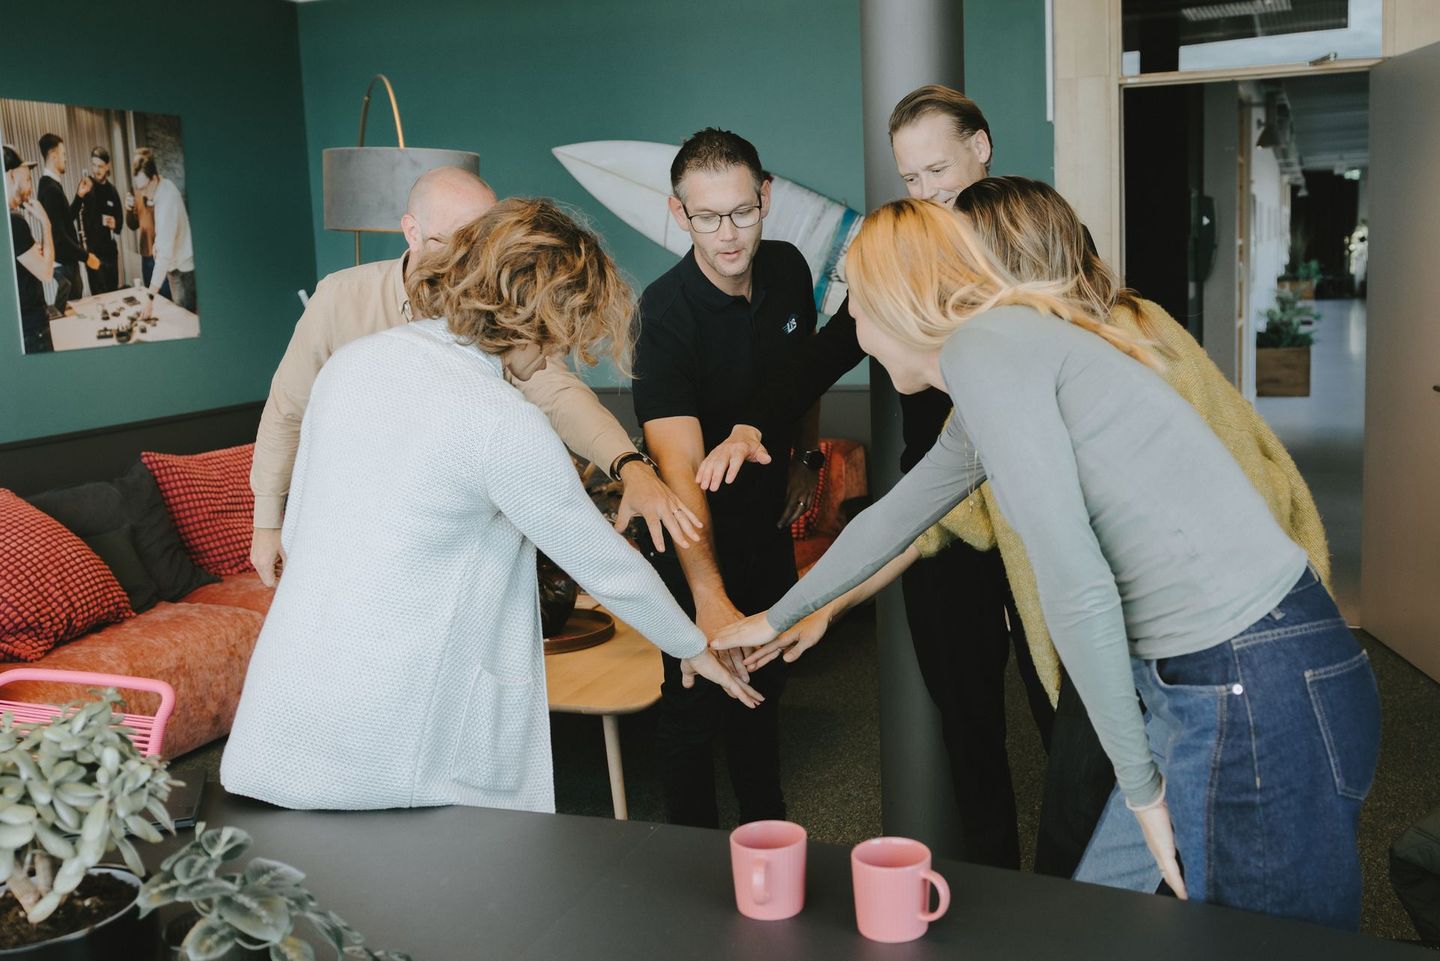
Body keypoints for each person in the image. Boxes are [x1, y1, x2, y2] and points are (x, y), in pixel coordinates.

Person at [715, 198, 1380, 930]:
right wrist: (772, 618)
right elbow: (896, 516)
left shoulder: (987, 350)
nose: (856, 334)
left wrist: (1140, 790)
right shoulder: (997, 359)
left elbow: (1077, 580)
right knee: (1094, 921)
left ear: (892, 300)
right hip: (1216, 676)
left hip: (1251, 677)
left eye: (854, 308)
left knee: (1270, 944)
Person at [221, 198, 760, 812]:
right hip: (394, 738)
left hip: (286, 715)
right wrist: (693, 647)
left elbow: (301, 522)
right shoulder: (500, 422)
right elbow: (604, 564)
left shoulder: (352, 364)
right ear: (547, 316)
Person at [694, 85, 1047, 868]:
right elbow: (827, 350)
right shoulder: (902, 255)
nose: (926, 191)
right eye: (910, 178)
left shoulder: (1034, 236)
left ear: (981, 146)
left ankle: (1085, 890)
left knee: (1066, 710)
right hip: (934, 518)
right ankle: (999, 889)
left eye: (938, 168)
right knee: (968, 723)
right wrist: (755, 422)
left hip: (1035, 512)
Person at [249, 167, 699, 587]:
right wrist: (267, 523)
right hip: (357, 527)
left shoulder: (495, 302)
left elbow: (556, 390)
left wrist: (628, 464)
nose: (474, 261)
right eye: (459, 242)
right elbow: (288, 411)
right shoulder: (338, 300)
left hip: (459, 542)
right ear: (413, 232)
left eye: (486, 244)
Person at [633, 128, 821, 829]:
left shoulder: (790, 268)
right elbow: (678, 471)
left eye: (742, 211)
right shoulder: (664, 316)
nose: (728, 233)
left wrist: (806, 457)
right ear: (680, 215)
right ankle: (694, 862)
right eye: (707, 217)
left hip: (764, 525)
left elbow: (800, 377)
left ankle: (769, 836)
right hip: (689, 537)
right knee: (696, 701)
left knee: (765, 685)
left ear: (766, 197)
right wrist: (708, 599)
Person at [35, 133, 97, 315]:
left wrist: (79, 197)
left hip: (64, 260)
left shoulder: (49, 186)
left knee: (71, 310)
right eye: (63, 154)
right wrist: (87, 256)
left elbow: (64, 221)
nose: (65, 158)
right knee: (71, 313)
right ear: (53, 156)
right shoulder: (51, 189)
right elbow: (59, 236)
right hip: (65, 262)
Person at [6, 145, 55, 354]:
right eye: (26, 179)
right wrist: (46, 224)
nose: (30, 187)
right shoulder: (14, 223)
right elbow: (46, 273)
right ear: (10, 176)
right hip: (32, 329)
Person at [134, 148, 195, 316]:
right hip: (177, 265)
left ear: (154, 178)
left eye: (144, 188)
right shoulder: (163, 185)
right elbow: (167, 231)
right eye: (139, 189)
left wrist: (149, 298)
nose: (143, 194)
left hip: (182, 270)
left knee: (184, 321)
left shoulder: (167, 201)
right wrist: (157, 243)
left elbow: (164, 256)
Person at [124, 147, 170, 300]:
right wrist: (128, 209)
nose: (142, 191)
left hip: (161, 255)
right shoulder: (137, 189)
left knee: (166, 299)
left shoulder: (160, 190)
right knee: (153, 300)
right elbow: (132, 225)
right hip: (146, 255)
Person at [76, 147, 123, 295]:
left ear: (107, 166)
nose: (96, 170)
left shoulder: (112, 191)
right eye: (94, 165)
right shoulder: (86, 186)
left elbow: (120, 221)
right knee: (100, 298)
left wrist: (115, 224)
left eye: (100, 166)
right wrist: (85, 251)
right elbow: (79, 218)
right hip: (93, 253)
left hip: (110, 252)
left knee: (113, 293)